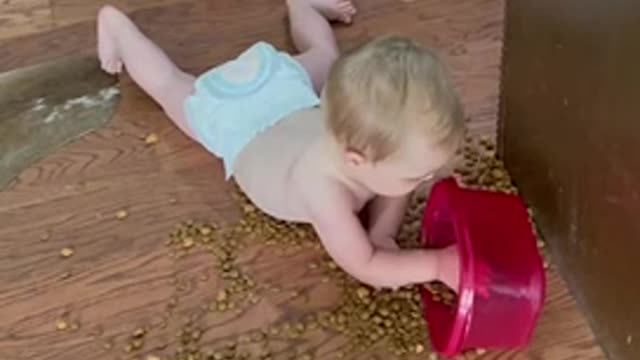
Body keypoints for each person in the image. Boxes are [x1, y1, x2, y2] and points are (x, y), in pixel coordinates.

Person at [97, 0, 464, 290]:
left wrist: (382, 232)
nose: (425, 180)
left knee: (327, 56)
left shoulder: (365, 144)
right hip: (233, 118)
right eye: (417, 175)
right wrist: (436, 264)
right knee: (167, 85)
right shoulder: (324, 193)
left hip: (283, 90)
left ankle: (302, 6)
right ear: (357, 160)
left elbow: (393, 189)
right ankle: (118, 28)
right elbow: (365, 264)